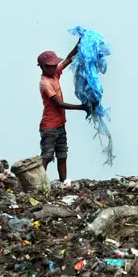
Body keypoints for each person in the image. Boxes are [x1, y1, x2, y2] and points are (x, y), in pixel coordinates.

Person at [37, 43, 87, 184]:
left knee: (62, 154)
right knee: (46, 156)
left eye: (55, 65)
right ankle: (38, 184)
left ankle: (63, 182)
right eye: (51, 66)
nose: (55, 67)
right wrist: (82, 107)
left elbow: (68, 59)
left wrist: (78, 45)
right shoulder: (45, 83)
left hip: (60, 125)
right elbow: (59, 103)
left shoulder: (54, 74)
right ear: (43, 67)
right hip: (49, 127)